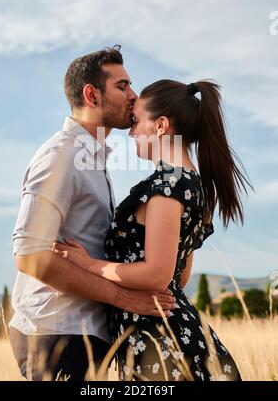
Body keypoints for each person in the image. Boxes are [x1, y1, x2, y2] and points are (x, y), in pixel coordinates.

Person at [53, 79, 253, 381]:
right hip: (173, 335)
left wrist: (89, 265)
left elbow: (158, 275)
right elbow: (178, 277)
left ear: (160, 126)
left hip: (159, 342)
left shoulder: (166, 189)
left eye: (136, 121)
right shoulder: (191, 185)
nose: (131, 132)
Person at [9, 47, 176, 381]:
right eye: (123, 86)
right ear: (92, 95)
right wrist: (123, 298)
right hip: (57, 334)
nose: (134, 96)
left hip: (79, 335)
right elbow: (30, 255)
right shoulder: (62, 156)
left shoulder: (91, 158)